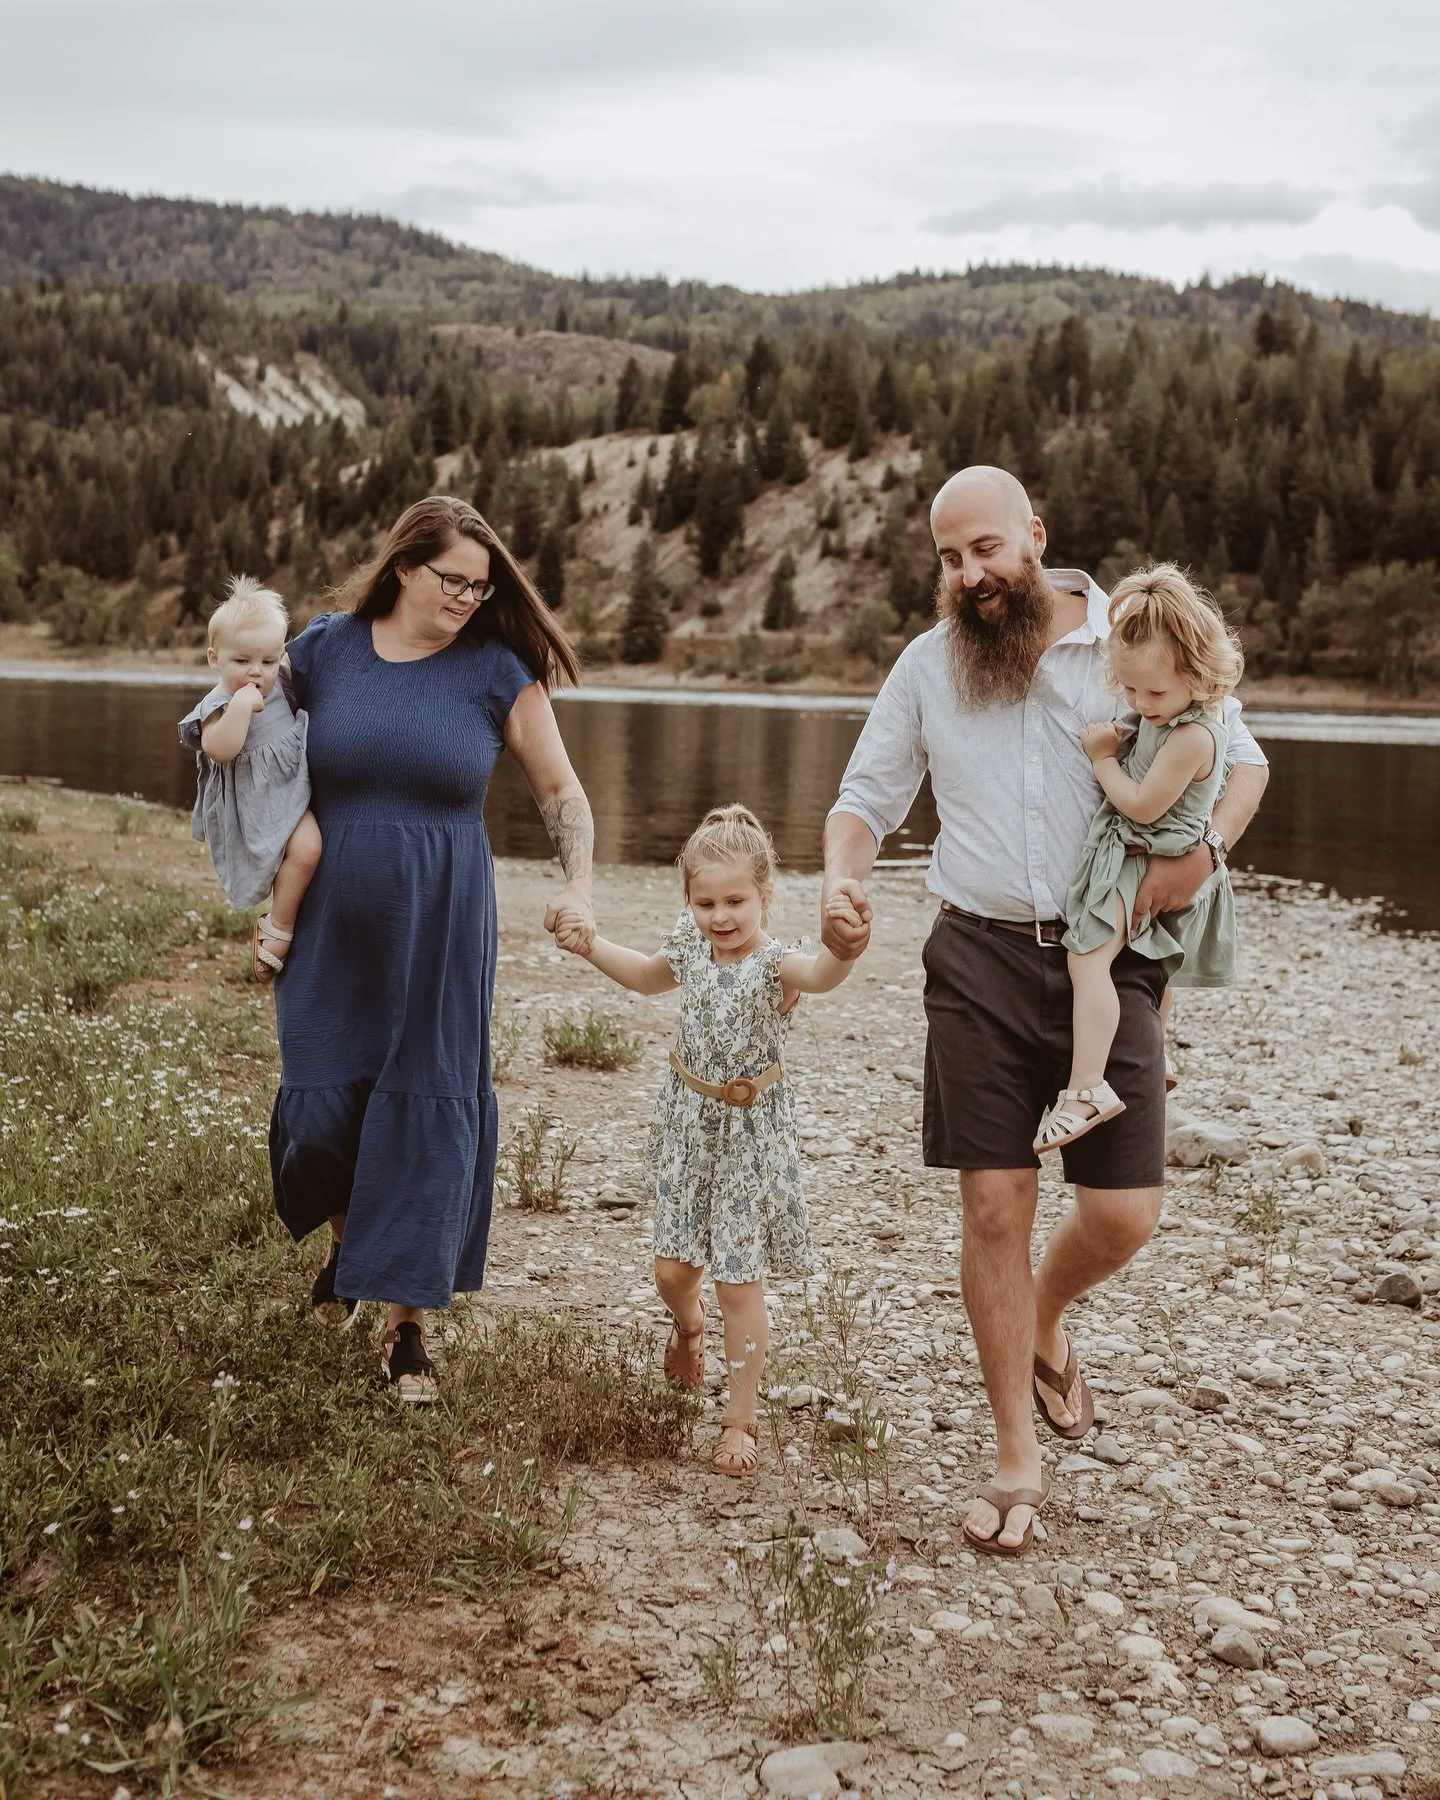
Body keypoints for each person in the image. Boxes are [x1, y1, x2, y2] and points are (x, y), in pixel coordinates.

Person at [821, 466, 1268, 1555]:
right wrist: (845, 879)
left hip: (1107, 965)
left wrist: (1205, 855)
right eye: (950, 558)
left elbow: (1244, 762)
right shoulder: (929, 665)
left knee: (1123, 1217)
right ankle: (1016, 1454)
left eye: (986, 549)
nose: (970, 574)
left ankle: (1048, 1317)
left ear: (1035, 535)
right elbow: (863, 798)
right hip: (972, 953)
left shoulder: (1131, 641)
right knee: (993, 1207)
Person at [270, 495, 596, 1404]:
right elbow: (255, 739)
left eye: (480, 586)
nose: (466, 598)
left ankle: (406, 1331)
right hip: (332, 918)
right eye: (453, 580)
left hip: (444, 918)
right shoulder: (325, 649)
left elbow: (561, 792)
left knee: (424, 1102)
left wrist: (578, 882)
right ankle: (347, 1242)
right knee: (320, 1108)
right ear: (406, 567)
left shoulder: (497, 668)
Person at [550, 805, 859, 1476]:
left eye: (736, 901)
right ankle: (688, 1327)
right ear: (689, 900)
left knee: (737, 1282)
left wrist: (844, 949)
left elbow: (823, 974)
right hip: (688, 1123)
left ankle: (740, 1420)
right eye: (706, 902)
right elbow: (643, 975)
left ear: (766, 896)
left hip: (750, 1135)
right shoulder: (690, 948)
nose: (721, 916)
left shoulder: (777, 964)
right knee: (672, 1272)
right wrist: (589, 943)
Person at [1037, 565, 1244, 1153]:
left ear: (1199, 674)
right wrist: (1134, 724)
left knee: (1087, 963)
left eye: (1155, 693)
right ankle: (1156, 1043)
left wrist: (1103, 755)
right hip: (1145, 856)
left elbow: (1141, 806)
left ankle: (1086, 1087)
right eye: (1128, 690)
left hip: (1144, 857)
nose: (1139, 703)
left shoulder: (1192, 737)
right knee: (1159, 967)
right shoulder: (1172, 719)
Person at [178, 576, 322, 980]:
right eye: (242, 662)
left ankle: (289, 919)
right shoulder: (219, 702)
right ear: (214, 658)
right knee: (308, 848)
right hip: (257, 800)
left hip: (296, 785)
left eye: (268, 661)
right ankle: (279, 926)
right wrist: (240, 706)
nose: (256, 673)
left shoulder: (282, 683)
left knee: (309, 850)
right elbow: (218, 748)